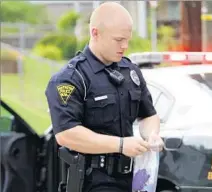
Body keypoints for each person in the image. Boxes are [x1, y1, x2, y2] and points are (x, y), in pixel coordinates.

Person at [45, 2, 163, 192]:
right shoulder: (71, 78)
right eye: (118, 40)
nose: (124, 46)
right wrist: (121, 145)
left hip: (131, 180)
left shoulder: (130, 71)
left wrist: (152, 135)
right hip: (91, 182)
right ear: (95, 33)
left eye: (127, 39)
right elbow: (66, 134)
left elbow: (148, 114)